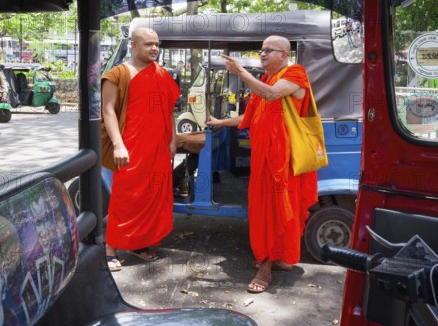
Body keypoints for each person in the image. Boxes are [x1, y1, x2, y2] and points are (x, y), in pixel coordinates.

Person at [206, 35, 318, 293]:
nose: (263, 53)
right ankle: (276, 257)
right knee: (263, 212)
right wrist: (221, 122)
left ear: (284, 55)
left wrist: (241, 72)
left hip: (283, 162)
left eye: (269, 50)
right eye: (261, 49)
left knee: (275, 211)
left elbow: (271, 96)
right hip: (263, 160)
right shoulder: (266, 79)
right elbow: (252, 114)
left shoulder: (295, 74)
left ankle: (265, 269)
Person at [101, 26, 180, 271]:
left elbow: (168, 111)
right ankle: (110, 247)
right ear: (134, 46)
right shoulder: (118, 74)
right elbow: (108, 111)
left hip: (157, 148)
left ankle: (141, 242)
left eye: (157, 44)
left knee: (152, 197)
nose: (154, 48)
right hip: (130, 148)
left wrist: (172, 140)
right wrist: (118, 145)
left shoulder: (162, 74)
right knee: (126, 198)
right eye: (148, 44)